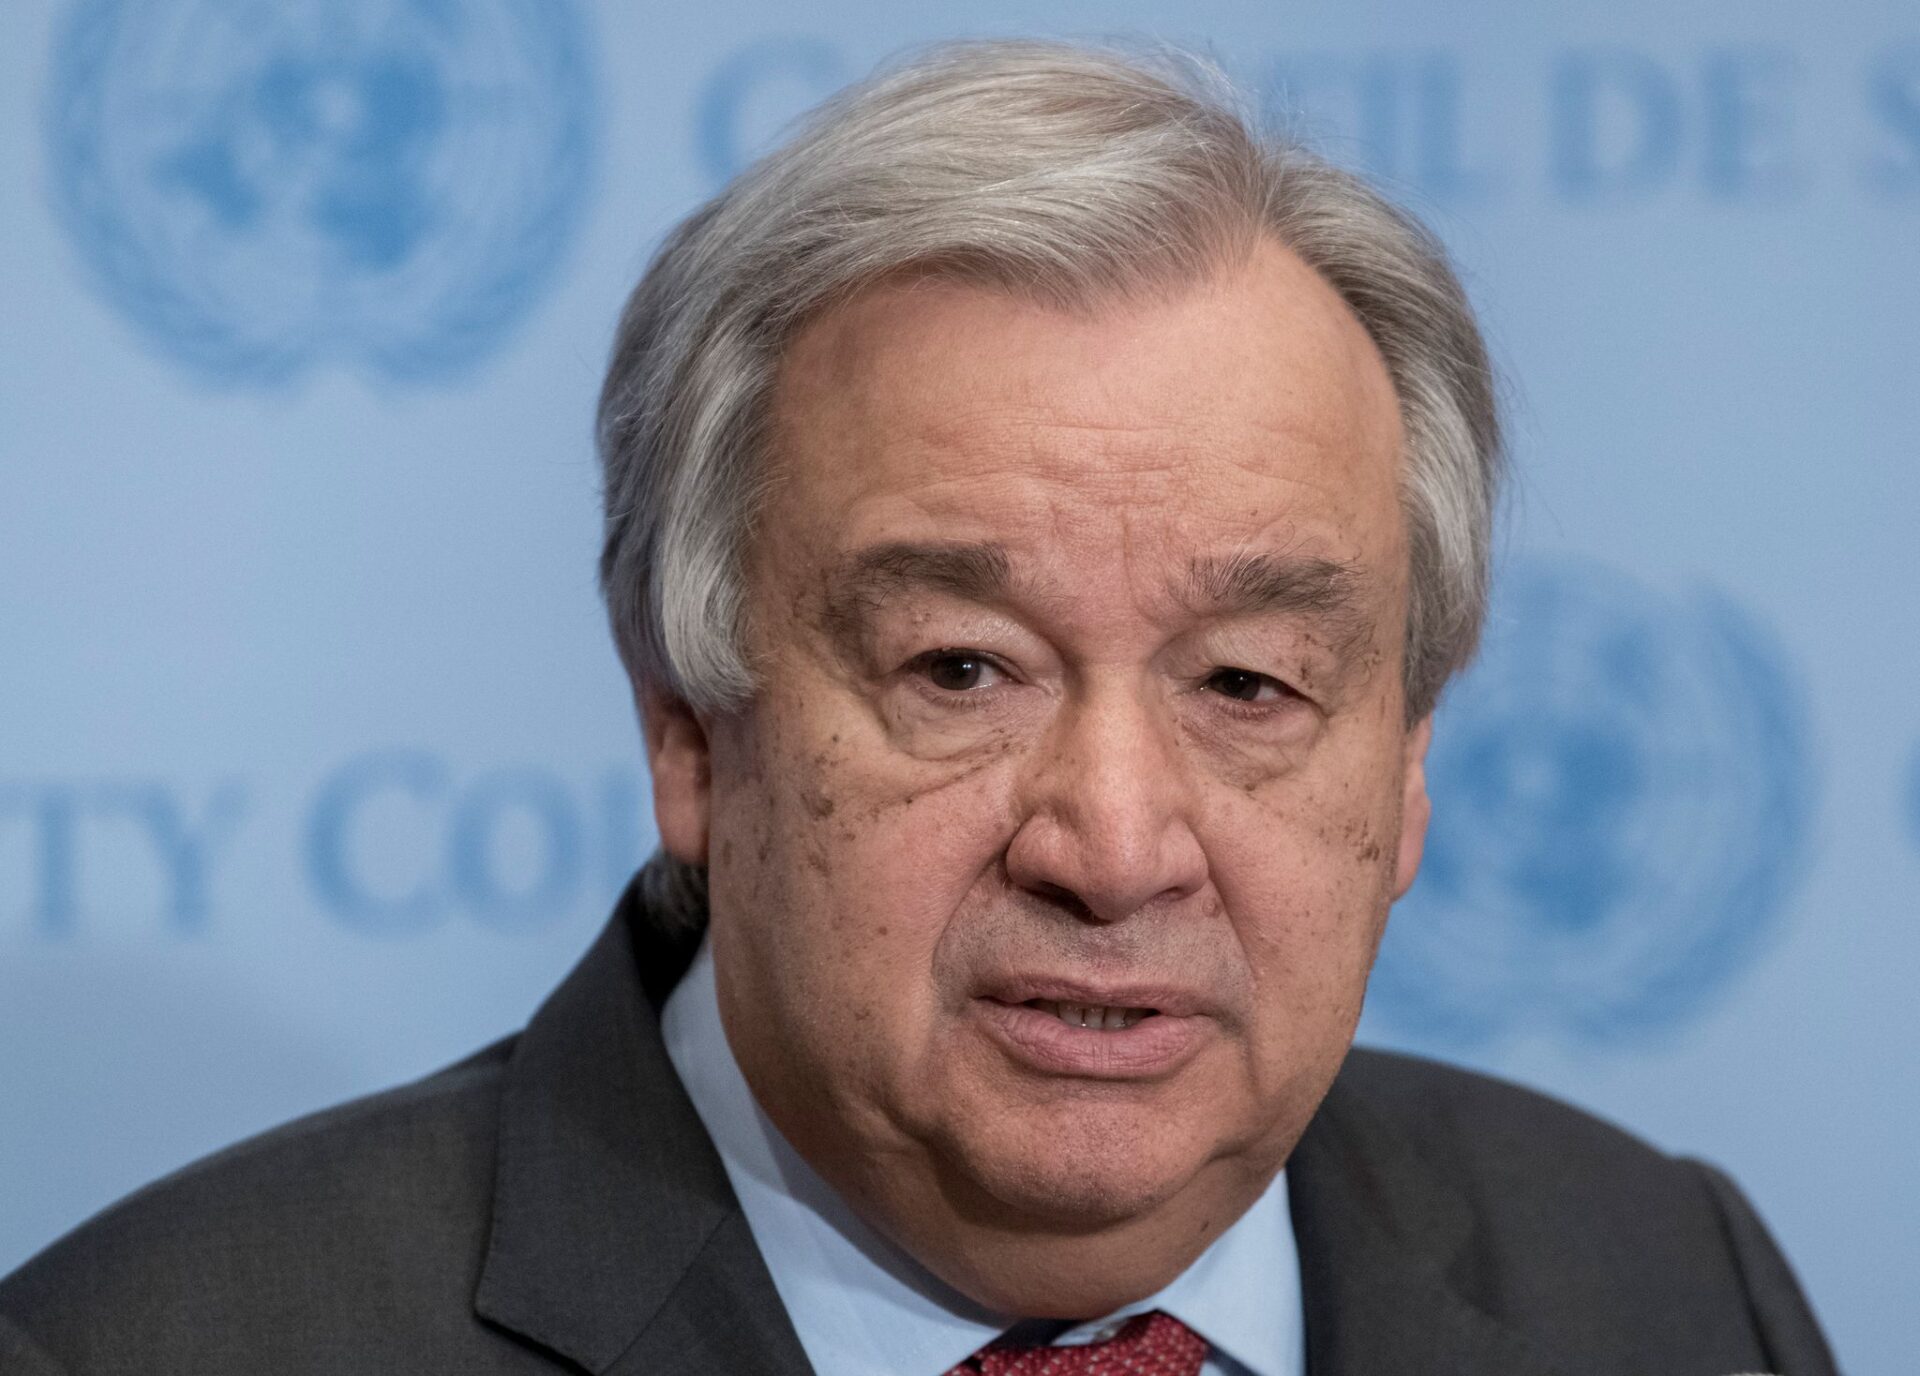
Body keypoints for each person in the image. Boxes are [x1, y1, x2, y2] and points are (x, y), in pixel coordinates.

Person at [0, 39, 1835, 1376]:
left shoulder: (1672, 1288)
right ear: (690, 733)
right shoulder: (161, 1345)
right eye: (962, 669)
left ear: (1410, 768)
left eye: (1251, 684)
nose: (1114, 846)